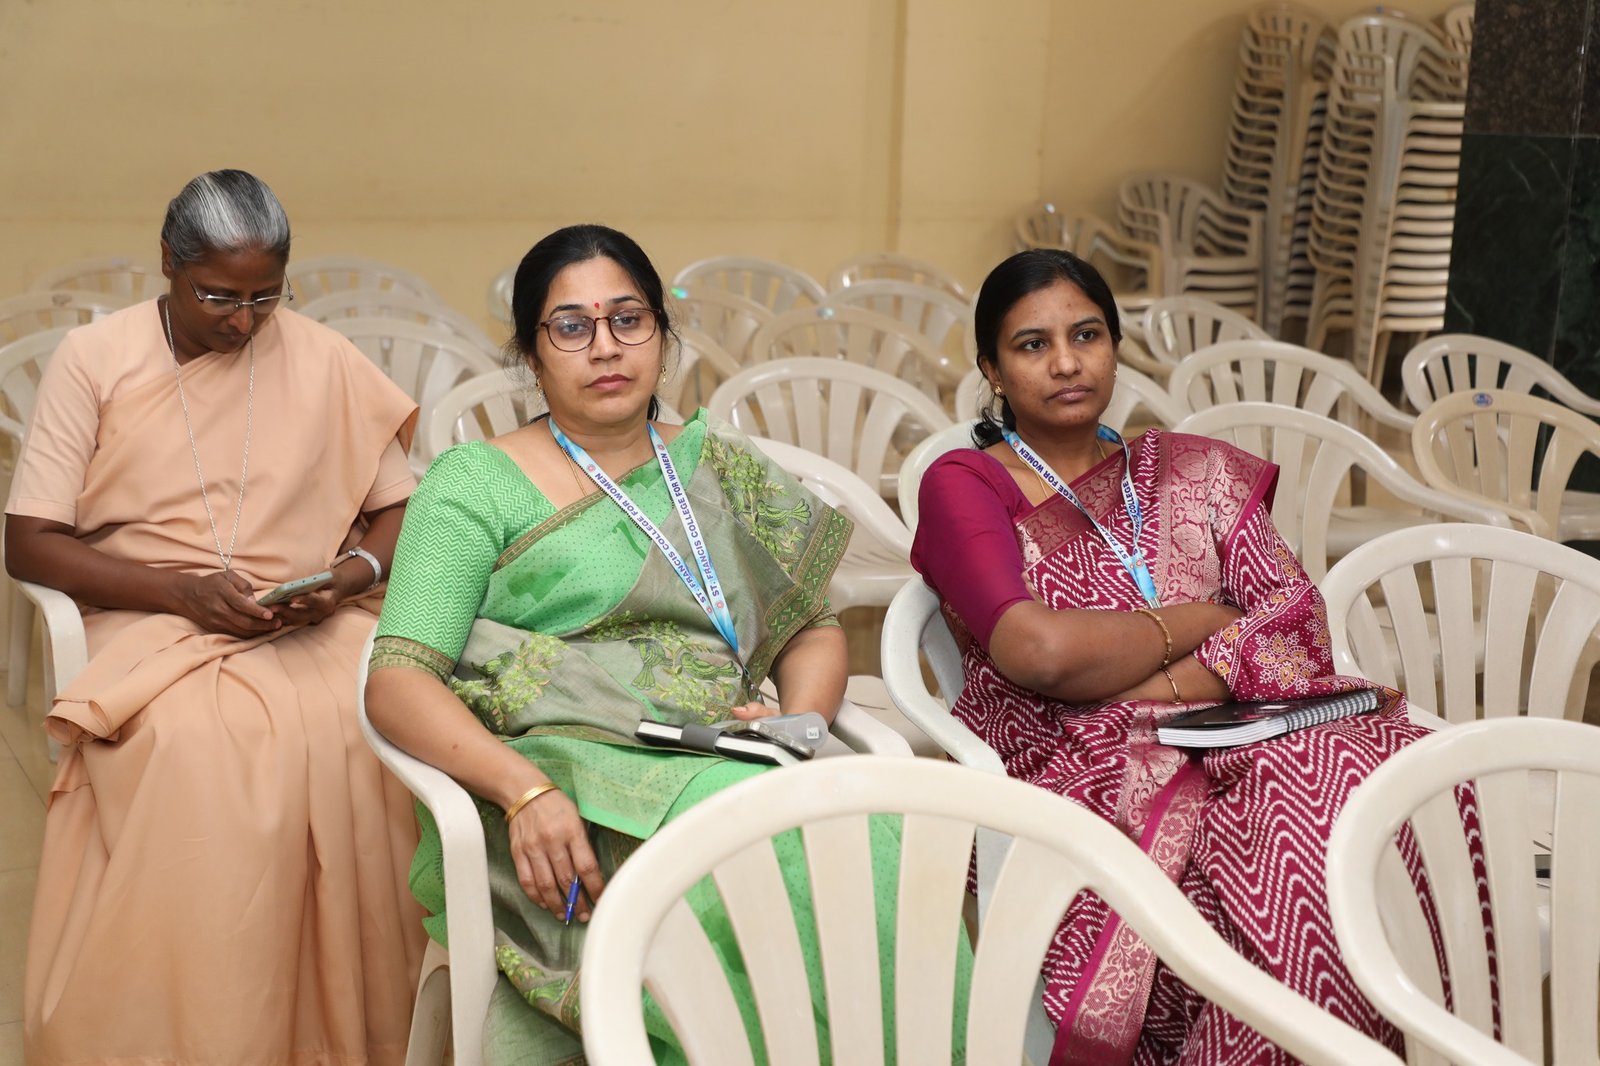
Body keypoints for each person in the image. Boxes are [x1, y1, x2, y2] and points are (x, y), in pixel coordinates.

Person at [364, 224, 874, 1061]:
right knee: (763, 844)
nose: (605, 347)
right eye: (571, 327)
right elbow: (398, 680)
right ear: (531, 354)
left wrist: (800, 724)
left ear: (663, 338)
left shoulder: (719, 467)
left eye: (628, 320)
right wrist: (523, 792)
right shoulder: (473, 484)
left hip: (723, 747)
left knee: (872, 829)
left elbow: (811, 627)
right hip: (563, 774)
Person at [910, 248, 1429, 1063]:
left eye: (1087, 335)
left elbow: (1294, 614)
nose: (1067, 362)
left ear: (1116, 346)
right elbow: (1038, 652)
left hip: (1240, 730)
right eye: (1033, 345)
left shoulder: (1190, 469)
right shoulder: (965, 482)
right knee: (1294, 841)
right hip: (1077, 759)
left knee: (1398, 788)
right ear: (992, 370)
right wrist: (1210, 619)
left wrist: (1165, 680)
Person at [8, 170, 426, 1065]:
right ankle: (205, 1026)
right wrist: (180, 591)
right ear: (168, 261)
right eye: (218, 297)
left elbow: (400, 508)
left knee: (387, 716)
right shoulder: (96, 358)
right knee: (199, 748)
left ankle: (357, 1028)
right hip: (148, 612)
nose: (243, 323)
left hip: (304, 615)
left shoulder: (320, 356)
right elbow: (29, 543)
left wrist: (346, 578)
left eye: (265, 297)